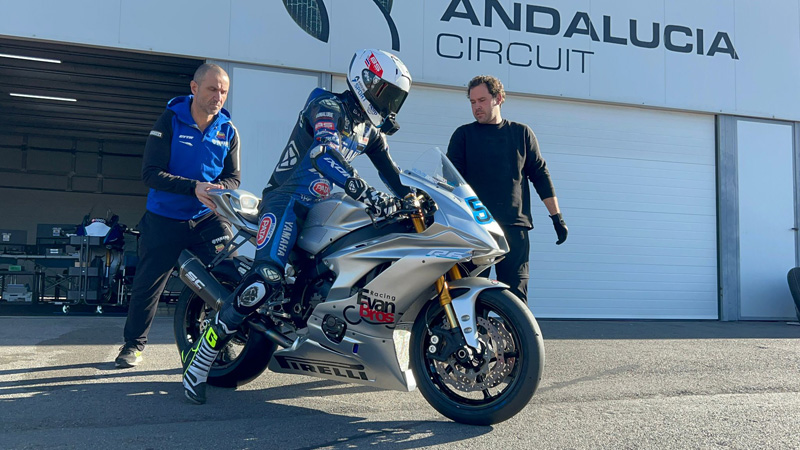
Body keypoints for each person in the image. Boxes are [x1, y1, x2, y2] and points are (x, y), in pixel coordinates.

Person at [181, 49, 413, 404]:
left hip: (321, 206)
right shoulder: (327, 107)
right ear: (364, 82)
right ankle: (200, 361)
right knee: (265, 279)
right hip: (287, 201)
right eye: (386, 93)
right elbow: (324, 153)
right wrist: (363, 190)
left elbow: (393, 174)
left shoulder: (369, 130)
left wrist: (415, 197)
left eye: (395, 98)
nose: (389, 103)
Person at [114, 64, 241, 368]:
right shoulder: (169, 121)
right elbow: (150, 173)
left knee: (229, 280)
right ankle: (133, 345)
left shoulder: (228, 130)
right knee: (147, 286)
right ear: (194, 88)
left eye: (223, 91)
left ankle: (219, 344)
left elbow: (234, 178)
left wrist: (219, 189)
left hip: (207, 219)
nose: (218, 97)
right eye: (212, 89)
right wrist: (193, 187)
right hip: (164, 218)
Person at [446, 75, 567, 304]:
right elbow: (451, 181)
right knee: (467, 296)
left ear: (498, 98)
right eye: (472, 102)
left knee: (515, 299)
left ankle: (515, 330)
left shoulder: (521, 134)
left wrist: (556, 217)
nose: (476, 107)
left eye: (482, 100)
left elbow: (540, 175)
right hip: (474, 229)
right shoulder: (463, 136)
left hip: (514, 228)